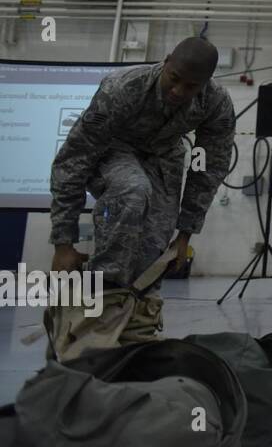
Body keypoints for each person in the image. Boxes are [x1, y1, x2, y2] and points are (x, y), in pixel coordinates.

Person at [46, 37, 234, 360]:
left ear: (203, 85)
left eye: (189, 87)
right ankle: (90, 322)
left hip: (163, 156)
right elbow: (73, 160)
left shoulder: (215, 103)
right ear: (165, 62)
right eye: (173, 79)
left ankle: (134, 335)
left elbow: (208, 169)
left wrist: (185, 234)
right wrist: (63, 243)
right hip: (111, 150)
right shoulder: (123, 89)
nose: (177, 91)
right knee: (133, 191)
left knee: (154, 246)